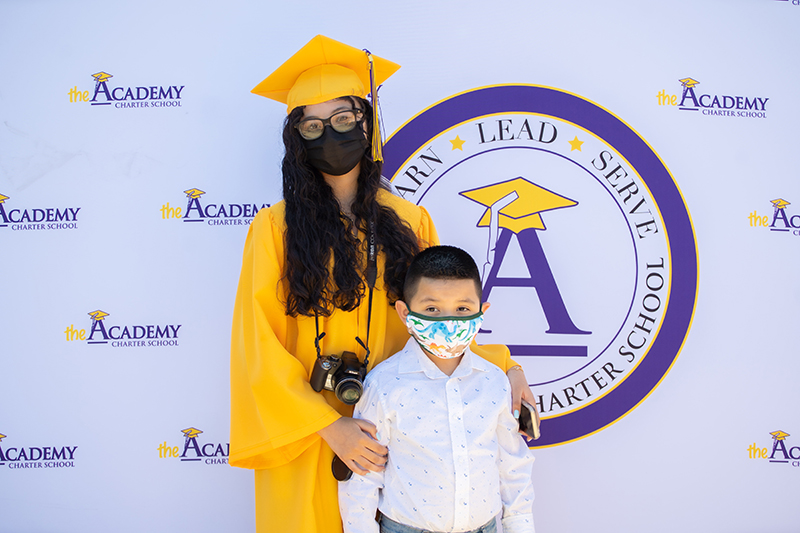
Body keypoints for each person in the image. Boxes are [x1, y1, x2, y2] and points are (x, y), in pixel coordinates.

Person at [229, 35, 535, 533]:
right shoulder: (274, 229)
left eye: (344, 118)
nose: (330, 133)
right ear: (297, 139)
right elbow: (257, 346)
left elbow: (438, 313)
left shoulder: (409, 221)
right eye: (313, 125)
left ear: (367, 124)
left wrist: (508, 366)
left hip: (394, 429)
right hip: (307, 433)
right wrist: (330, 426)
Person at [338, 245, 535, 533]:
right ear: (405, 313)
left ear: (482, 312)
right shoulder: (384, 385)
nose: (448, 321)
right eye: (432, 309)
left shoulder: (494, 382)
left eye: (462, 309)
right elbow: (363, 476)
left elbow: (513, 466)